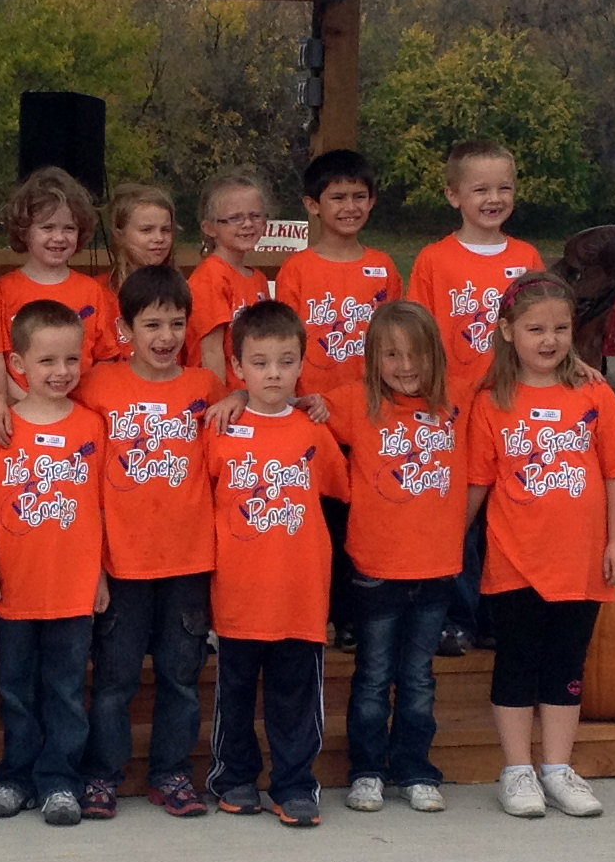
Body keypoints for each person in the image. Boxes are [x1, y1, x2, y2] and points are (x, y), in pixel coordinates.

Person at [460, 273, 615, 820]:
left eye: (561, 328)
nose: (549, 340)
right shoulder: (492, 402)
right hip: (516, 560)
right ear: (507, 332)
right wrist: (450, 545)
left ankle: (558, 768)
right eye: (535, 328)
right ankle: (517, 769)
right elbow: (477, 482)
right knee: (517, 664)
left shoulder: (593, 394)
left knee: (566, 665)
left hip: (580, 562)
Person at [75, 264, 221, 819]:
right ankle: (102, 775)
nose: (165, 337)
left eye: (176, 324)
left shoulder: (206, 389)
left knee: (180, 678)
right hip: (123, 560)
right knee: (114, 680)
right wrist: (95, 565)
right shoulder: (98, 385)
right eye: (152, 324)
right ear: (124, 327)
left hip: (187, 560)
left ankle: (172, 774)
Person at [201, 300, 348, 826]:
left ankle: (294, 784)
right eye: (259, 362)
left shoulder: (313, 431)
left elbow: (341, 491)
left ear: (301, 363)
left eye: (285, 362)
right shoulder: (217, 429)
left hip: (299, 595)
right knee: (235, 696)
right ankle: (234, 777)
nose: (273, 373)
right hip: (238, 593)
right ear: (237, 367)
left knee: (295, 698)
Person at [407, 139, 543, 654]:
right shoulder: (435, 260)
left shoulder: (526, 256)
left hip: (511, 408)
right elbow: (417, 336)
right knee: (459, 515)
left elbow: (541, 325)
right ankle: (456, 616)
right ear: (453, 195)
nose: (493, 198)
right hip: (455, 409)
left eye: (504, 187)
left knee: (505, 513)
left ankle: (497, 614)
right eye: (480, 188)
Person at [0, 299, 105, 828]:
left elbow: (100, 507)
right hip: (16, 587)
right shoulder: (0, 432)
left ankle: (59, 781)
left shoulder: (93, 426)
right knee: (17, 689)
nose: (61, 372)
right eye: (47, 361)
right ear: (18, 365)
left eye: (71, 360)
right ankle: (15, 776)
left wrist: (99, 576)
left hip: (73, 588)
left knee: (66, 691)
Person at [338, 301, 462, 816]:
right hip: (376, 568)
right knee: (372, 676)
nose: (405, 366)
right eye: (391, 355)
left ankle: (414, 769)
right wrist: (235, 395)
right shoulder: (353, 403)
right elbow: (286, 406)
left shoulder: (458, 406)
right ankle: (366, 770)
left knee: (417, 680)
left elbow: (515, 382)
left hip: (435, 567)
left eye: (415, 355)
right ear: (373, 360)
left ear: (435, 355)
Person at [0, 168, 120, 445]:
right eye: (47, 227)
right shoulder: (2, 290)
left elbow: (105, 360)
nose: (59, 238)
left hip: (81, 416)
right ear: (25, 231)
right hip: (20, 417)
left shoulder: (93, 291)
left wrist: (74, 409)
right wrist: (24, 403)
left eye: (68, 228)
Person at [273, 150, 401, 428]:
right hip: (312, 406)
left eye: (359, 196)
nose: (350, 207)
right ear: (313, 204)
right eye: (338, 198)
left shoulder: (384, 266)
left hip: (372, 404)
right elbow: (284, 341)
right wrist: (291, 399)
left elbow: (396, 338)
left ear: (372, 201)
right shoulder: (297, 269)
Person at [188, 169, 276, 385]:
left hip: (252, 395)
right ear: (210, 228)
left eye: (255, 216)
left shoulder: (258, 279)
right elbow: (211, 352)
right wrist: (220, 404)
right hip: (222, 399)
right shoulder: (210, 275)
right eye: (235, 218)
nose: (247, 224)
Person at [105, 183, 179, 282]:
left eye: (165, 230)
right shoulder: (97, 292)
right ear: (119, 234)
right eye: (146, 230)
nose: (159, 238)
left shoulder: (184, 290)